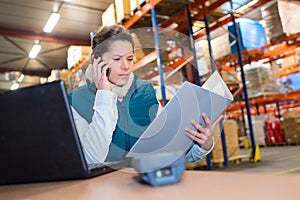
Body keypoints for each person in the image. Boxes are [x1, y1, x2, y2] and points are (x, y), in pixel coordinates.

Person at [69, 25, 219, 165]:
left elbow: (171, 150)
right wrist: (104, 96)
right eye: (117, 59)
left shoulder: (145, 91)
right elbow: (90, 160)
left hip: (146, 184)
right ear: (97, 61)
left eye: (129, 59)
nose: (125, 66)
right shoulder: (75, 102)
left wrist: (203, 144)